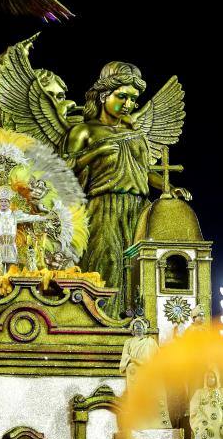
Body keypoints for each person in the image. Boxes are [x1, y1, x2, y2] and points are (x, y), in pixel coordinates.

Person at [66, 62, 190, 316]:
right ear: (103, 96)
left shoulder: (135, 134)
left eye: (133, 99)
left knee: (139, 266)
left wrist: (170, 187)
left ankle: (137, 323)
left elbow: (145, 171)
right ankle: (102, 320)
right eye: (121, 96)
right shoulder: (84, 131)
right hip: (103, 207)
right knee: (107, 263)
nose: (128, 104)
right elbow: (62, 170)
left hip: (139, 208)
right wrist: (94, 153)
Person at [0, 186, 51, 272]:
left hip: (11, 245)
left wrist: (44, 217)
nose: (4, 203)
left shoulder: (15, 215)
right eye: (2, 201)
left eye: (6, 201)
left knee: (11, 269)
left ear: (9, 203)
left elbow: (29, 217)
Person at [119, 318, 170, 426]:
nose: (138, 328)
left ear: (144, 328)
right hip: (135, 374)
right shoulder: (128, 342)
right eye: (136, 326)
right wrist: (134, 361)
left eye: (140, 326)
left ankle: (156, 424)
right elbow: (125, 357)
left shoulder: (150, 341)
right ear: (132, 330)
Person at [189, 368, 223, 439]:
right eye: (208, 377)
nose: (210, 379)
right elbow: (194, 412)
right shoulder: (199, 393)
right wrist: (206, 426)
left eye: (212, 377)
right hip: (207, 434)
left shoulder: (221, 393)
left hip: (221, 435)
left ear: (217, 378)